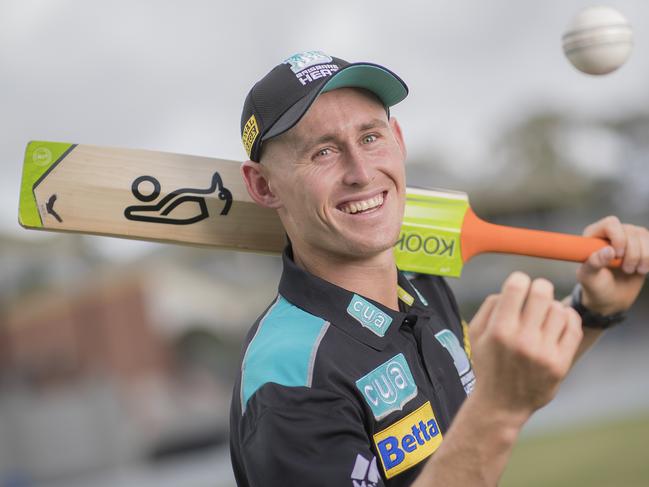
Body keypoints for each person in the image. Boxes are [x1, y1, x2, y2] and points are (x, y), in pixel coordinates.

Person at [229, 50, 648, 487]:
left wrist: (593, 310)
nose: (360, 172)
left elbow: (473, 411)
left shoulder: (421, 284)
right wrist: (499, 408)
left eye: (370, 138)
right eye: (323, 152)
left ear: (399, 140)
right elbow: (490, 411)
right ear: (262, 185)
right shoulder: (286, 378)